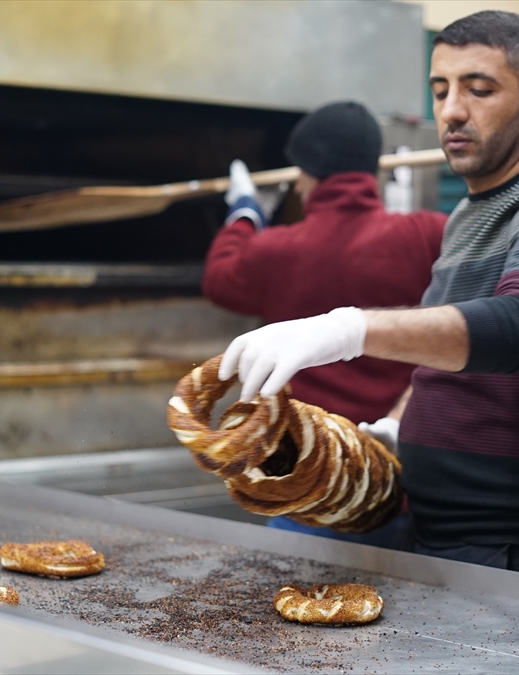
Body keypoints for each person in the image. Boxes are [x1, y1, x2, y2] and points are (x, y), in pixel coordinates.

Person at [216, 11, 519, 584]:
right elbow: (446, 357)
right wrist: (396, 427)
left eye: (479, 89)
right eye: (441, 90)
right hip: (434, 531)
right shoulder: (466, 217)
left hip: (515, 552)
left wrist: (346, 329)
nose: (452, 110)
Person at [202, 101, 447, 547]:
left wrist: (244, 212)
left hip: (307, 489)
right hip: (401, 481)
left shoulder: (275, 250)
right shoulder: (428, 233)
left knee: (297, 606)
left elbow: (220, 277)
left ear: (307, 173)